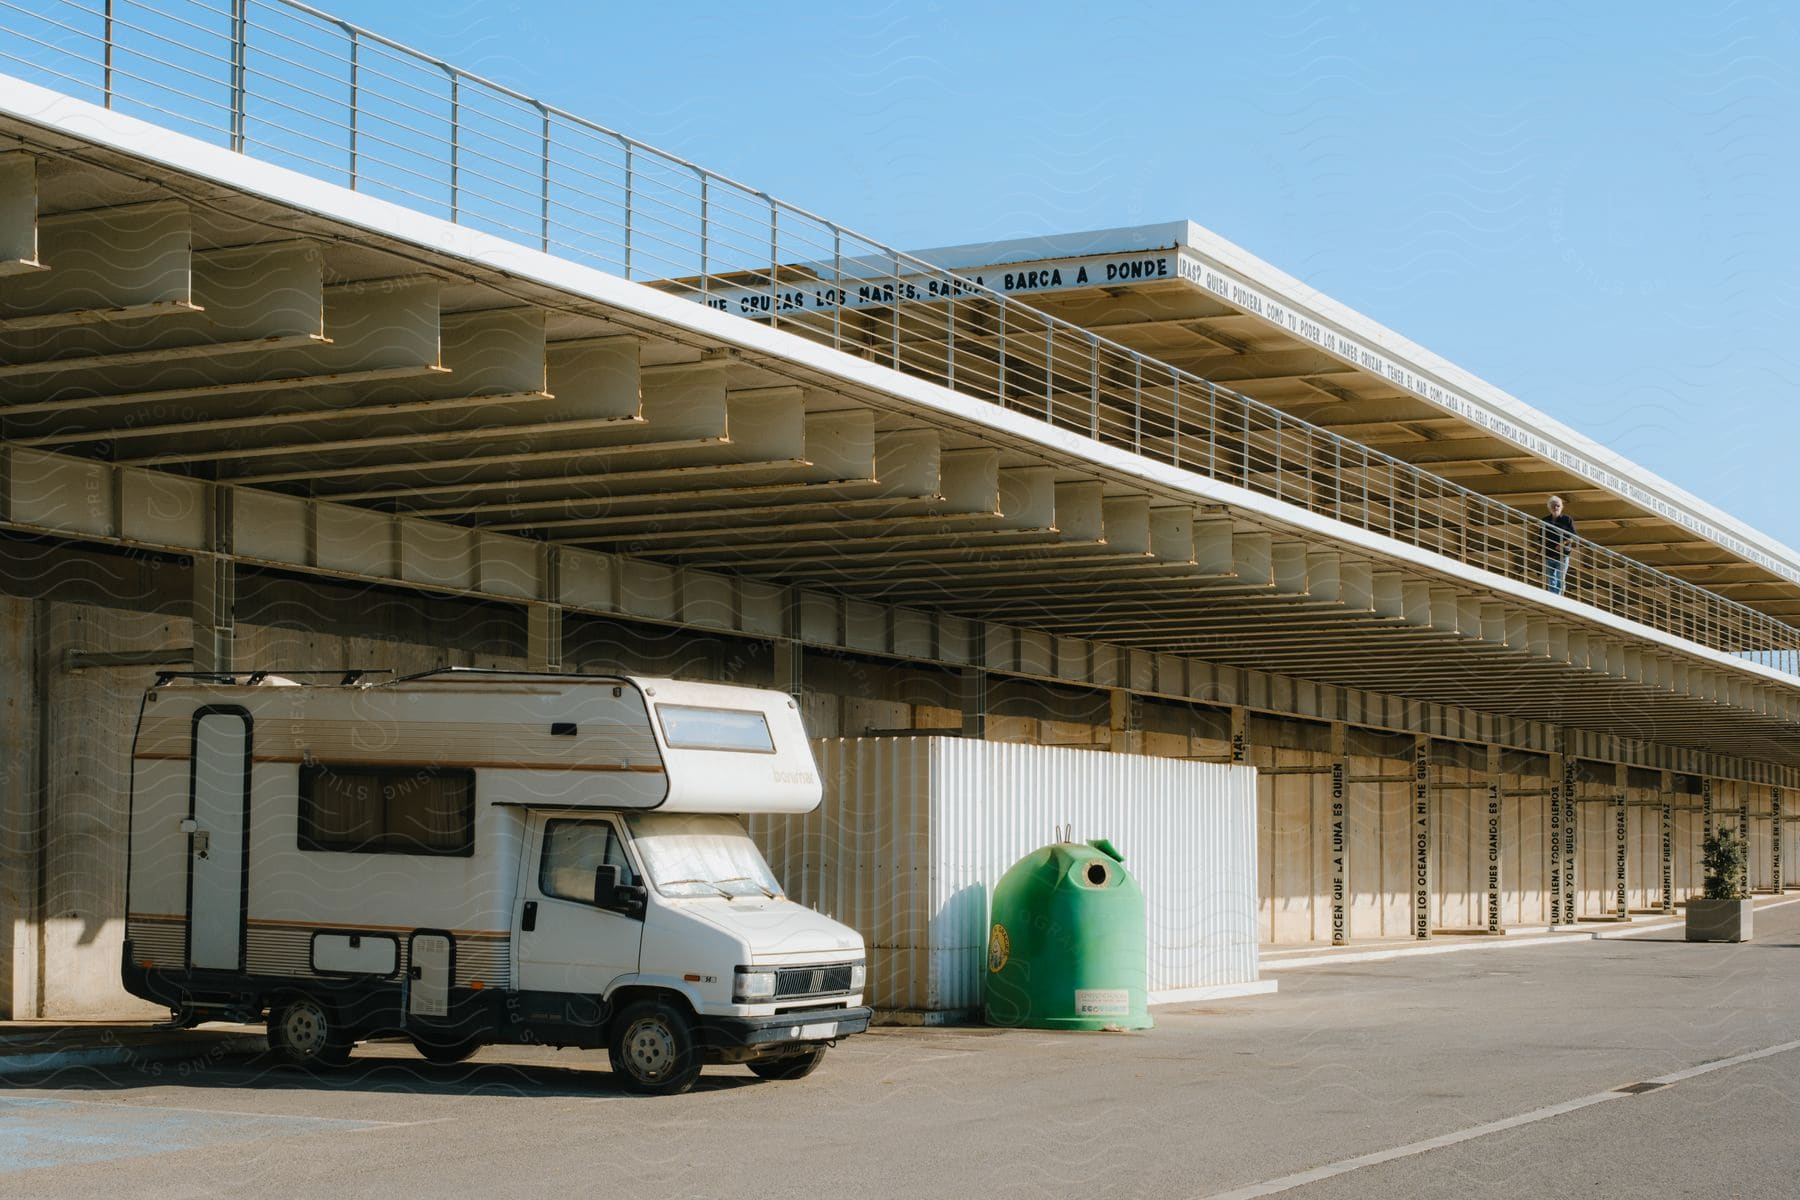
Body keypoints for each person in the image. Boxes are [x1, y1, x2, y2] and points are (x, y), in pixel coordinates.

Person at [1542, 495, 1576, 595]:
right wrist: (1538, 554)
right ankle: (1553, 596)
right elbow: (1541, 538)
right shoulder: (1545, 520)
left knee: (1560, 578)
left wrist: (1562, 544)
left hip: (1562, 554)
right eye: (1553, 506)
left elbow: (1573, 537)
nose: (1555, 508)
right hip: (1549, 553)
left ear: (1561, 507)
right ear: (1549, 507)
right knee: (1551, 578)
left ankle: (1559, 597)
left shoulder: (1567, 519)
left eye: (1557, 506)